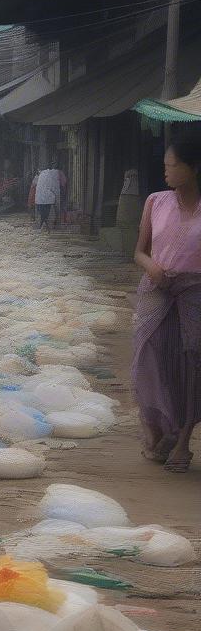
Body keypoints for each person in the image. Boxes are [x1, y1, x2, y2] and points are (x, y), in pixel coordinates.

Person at [132, 139, 201, 473]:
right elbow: (139, 251)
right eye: (165, 165)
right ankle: (160, 433)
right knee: (149, 359)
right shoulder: (155, 201)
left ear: (193, 168)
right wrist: (152, 267)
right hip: (156, 290)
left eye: (172, 165)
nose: (166, 171)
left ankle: (184, 442)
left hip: (194, 294)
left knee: (192, 364)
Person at [34, 163, 63, 232]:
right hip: (47, 199)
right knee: (45, 214)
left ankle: (43, 226)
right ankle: (44, 227)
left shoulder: (41, 174)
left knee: (42, 214)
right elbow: (56, 190)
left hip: (39, 199)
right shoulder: (55, 175)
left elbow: (35, 184)